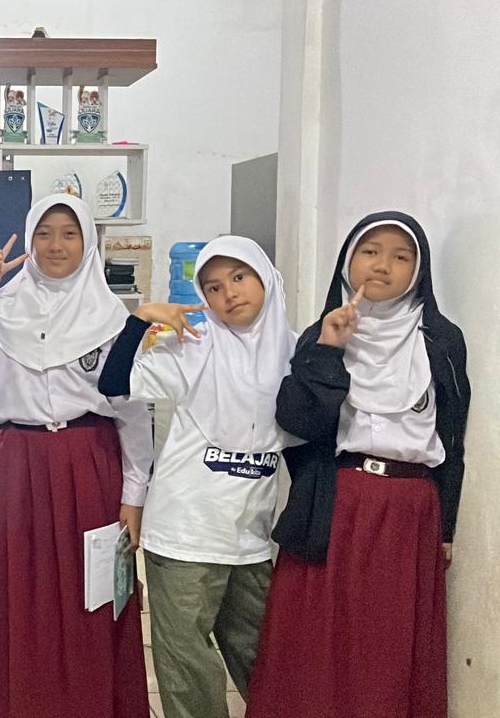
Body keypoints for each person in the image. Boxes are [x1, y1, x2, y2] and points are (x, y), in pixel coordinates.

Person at [0, 194, 152, 717]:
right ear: (30, 241)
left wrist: (135, 495)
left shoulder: (112, 318)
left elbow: (132, 413)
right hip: (17, 468)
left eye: (69, 233)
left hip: (89, 461)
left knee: (91, 594)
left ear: (88, 242)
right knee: (16, 593)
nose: (56, 245)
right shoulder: (2, 308)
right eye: (44, 233)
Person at [246, 213, 470, 718]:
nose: (383, 265)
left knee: (385, 647)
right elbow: (298, 423)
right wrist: (329, 350)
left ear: (419, 270)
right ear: (349, 261)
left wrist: (447, 525)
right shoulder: (322, 335)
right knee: (318, 646)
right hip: (336, 504)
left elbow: (453, 438)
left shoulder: (440, 340)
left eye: (401, 256)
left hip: (409, 510)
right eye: (370, 251)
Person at [98, 236, 299, 718]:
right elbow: (113, 384)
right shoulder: (193, 345)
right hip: (185, 537)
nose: (229, 293)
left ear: (266, 277)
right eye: (213, 287)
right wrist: (139, 319)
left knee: (268, 663)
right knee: (189, 672)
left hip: (250, 538)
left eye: (239, 277)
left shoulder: (296, 353)